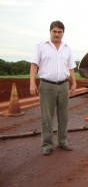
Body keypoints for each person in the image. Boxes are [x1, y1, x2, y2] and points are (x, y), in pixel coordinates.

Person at [30, 20, 77, 156]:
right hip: (47, 85)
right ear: (50, 32)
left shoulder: (67, 48)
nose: (57, 34)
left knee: (63, 116)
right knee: (47, 117)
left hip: (63, 85)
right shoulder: (41, 47)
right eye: (54, 31)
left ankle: (63, 141)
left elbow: (71, 68)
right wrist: (32, 83)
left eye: (59, 32)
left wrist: (73, 83)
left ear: (63, 33)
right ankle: (47, 144)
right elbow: (34, 65)